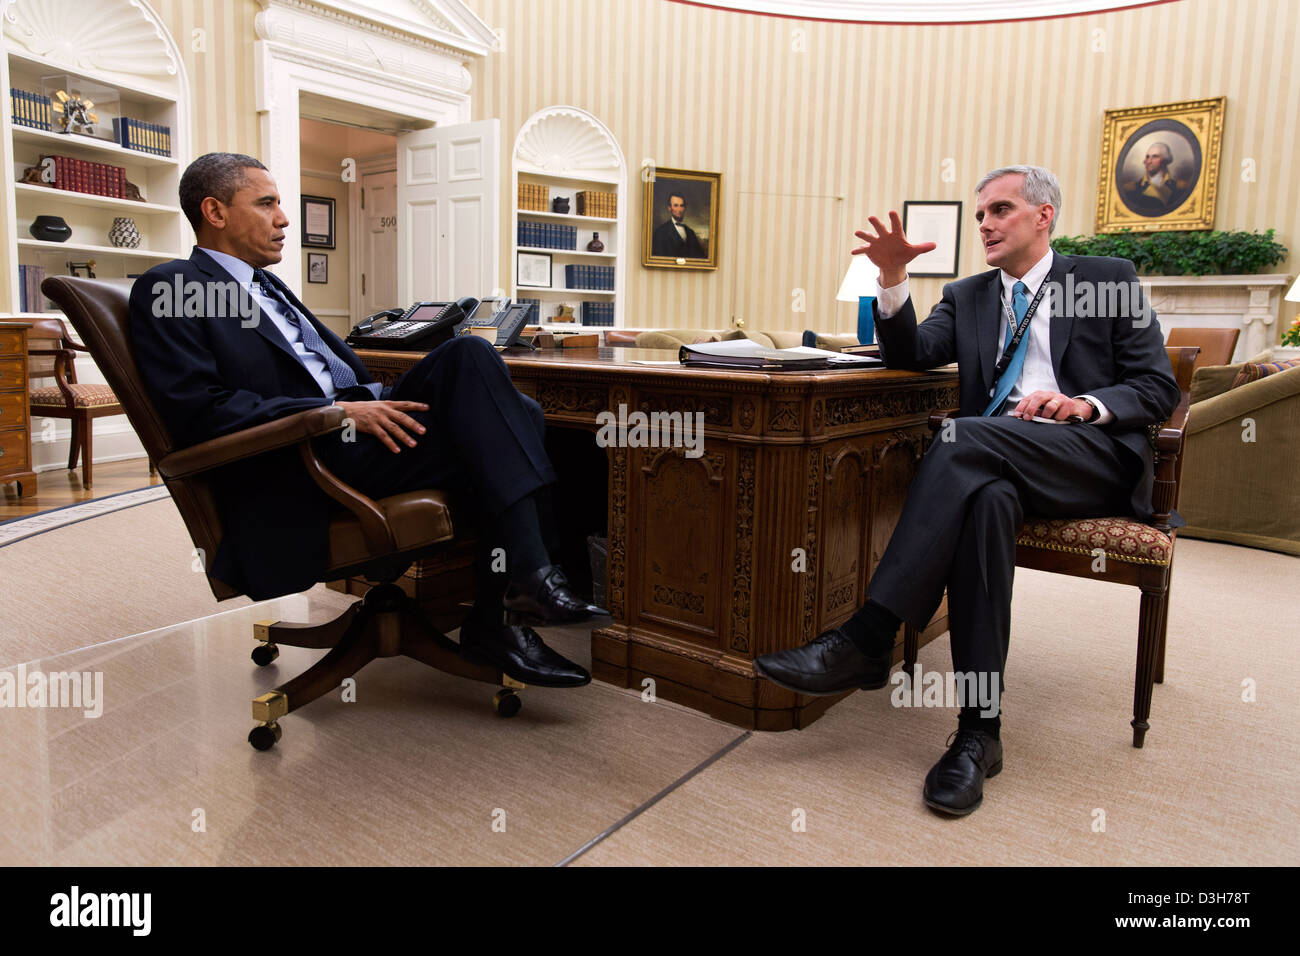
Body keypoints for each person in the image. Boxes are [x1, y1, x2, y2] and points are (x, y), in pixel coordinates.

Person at [755, 165, 1179, 816]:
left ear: (1044, 217)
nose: (984, 222)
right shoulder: (970, 295)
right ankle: (981, 734)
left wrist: (1081, 403)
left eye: (1000, 209)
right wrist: (892, 280)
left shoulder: (1103, 281)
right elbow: (912, 353)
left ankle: (869, 636)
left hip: (1088, 457)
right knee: (985, 503)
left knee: (962, 439)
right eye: (980, 213)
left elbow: (1157, 389)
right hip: (999, 463)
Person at [130, 152, 605, 688]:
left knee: (517, 410)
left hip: (352, 434)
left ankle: (515, 600)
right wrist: (333, 412)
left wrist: (365, 399)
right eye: (267, 204)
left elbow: (324, 372)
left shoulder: (268, 287)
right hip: (303, 461)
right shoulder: (173, 286)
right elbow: (199, 410)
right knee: (476, 370)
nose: (284, 218)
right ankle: (519, 595)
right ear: (214, 212)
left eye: (280, 203)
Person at [1123, 141, 1192, 214]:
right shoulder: (1131, 189)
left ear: (1165, 160)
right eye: (1147, 157)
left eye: (1155, 157)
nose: (1149, 161)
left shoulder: (1181, 187)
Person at [651, 193, 706, 258]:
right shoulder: (660, 232)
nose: (679, 210)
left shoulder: (690, 232)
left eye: (681, 206)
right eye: (676, 205)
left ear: (684, 208)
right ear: (669, 208)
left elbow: (700, 258)